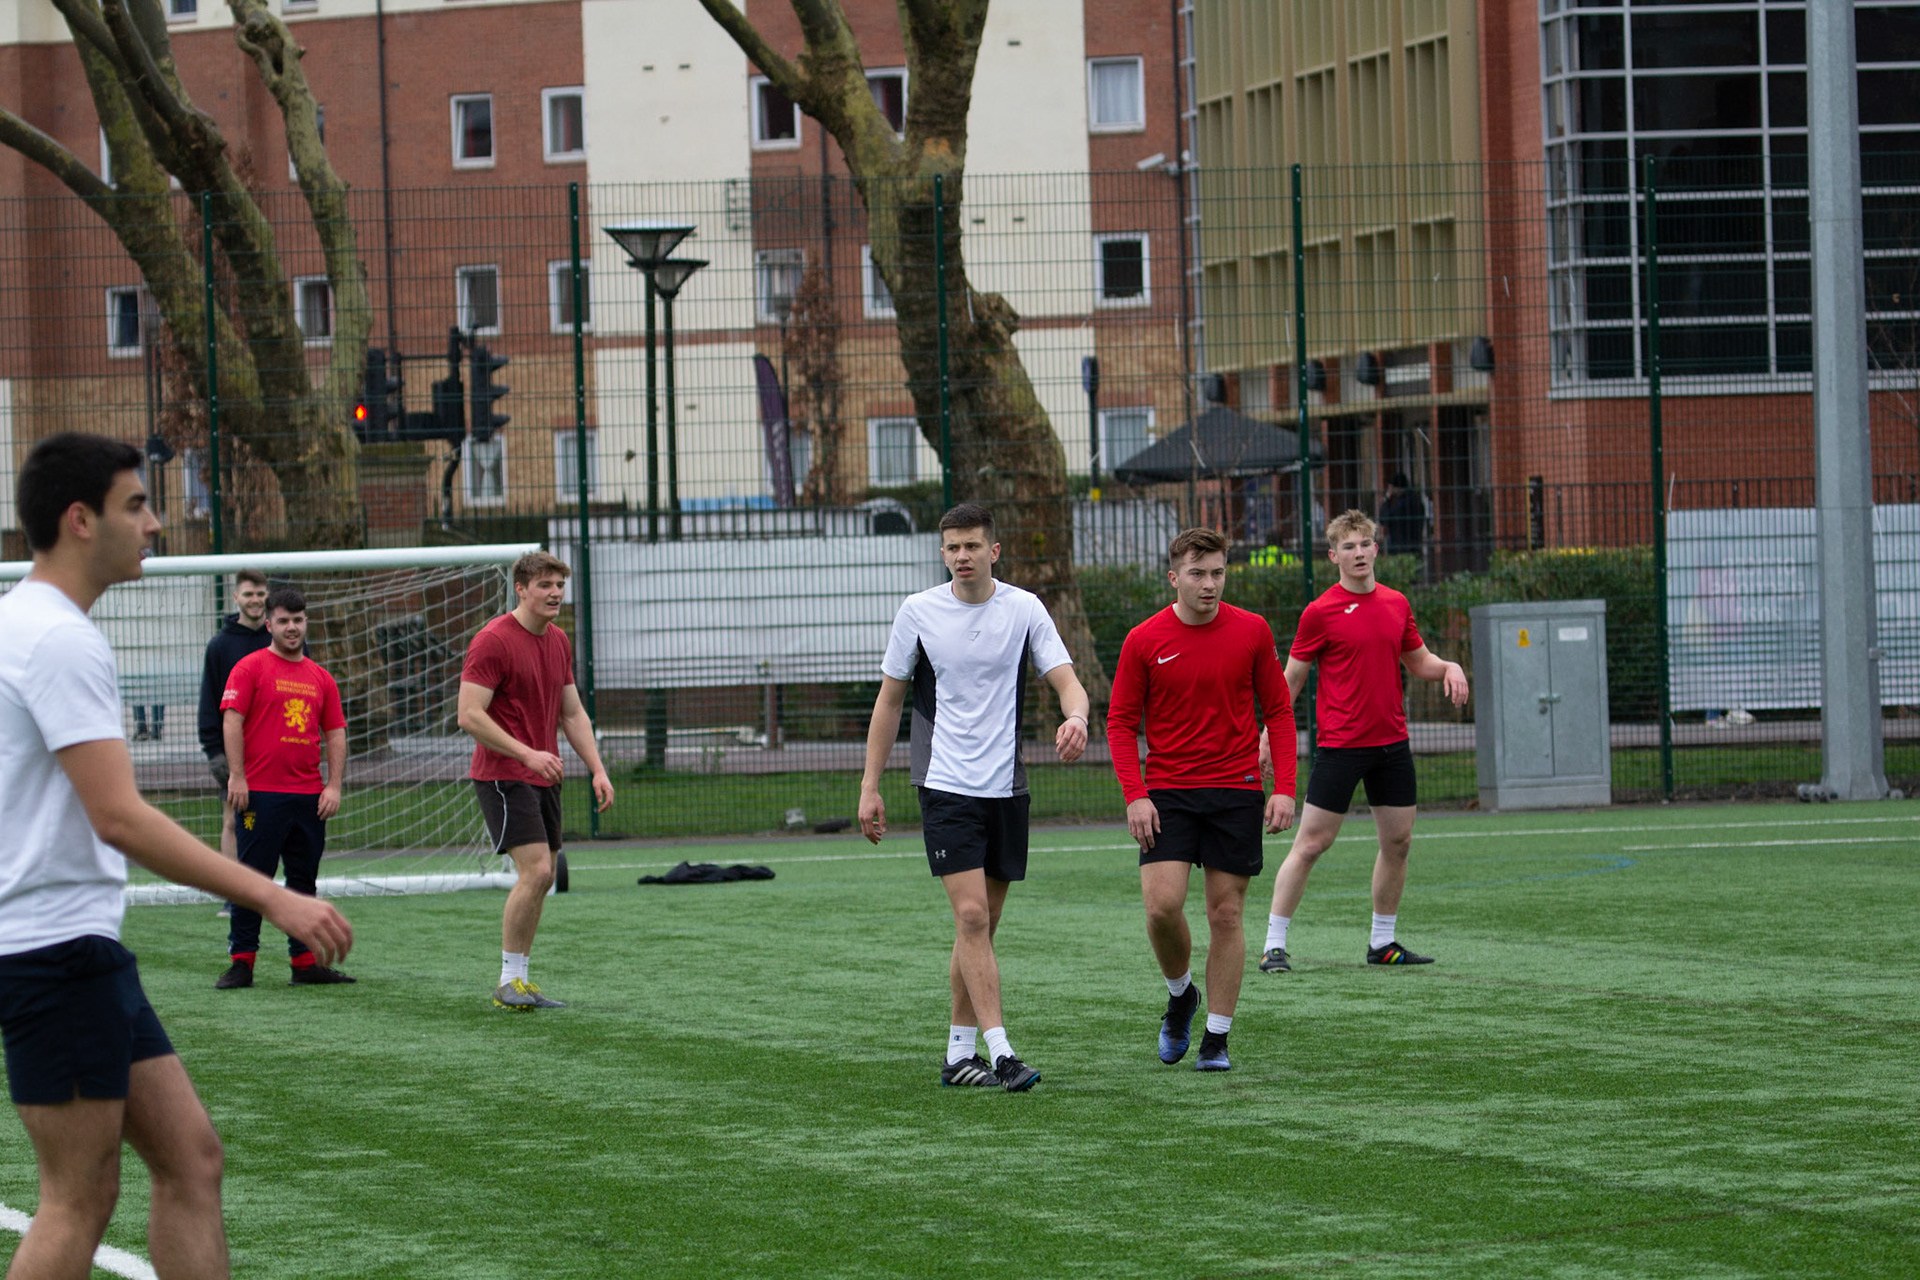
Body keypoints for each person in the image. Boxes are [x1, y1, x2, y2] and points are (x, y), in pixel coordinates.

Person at [0, 432, 351, 1279]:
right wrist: (272, 897)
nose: (156, 522)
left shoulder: (29, 623)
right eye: (136, 505)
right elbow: (120, 817)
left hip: (75, 949)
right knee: (78, 1200)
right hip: (54, 952)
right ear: (80, 520)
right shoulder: (57, 639)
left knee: (192, 1160)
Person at [858, 503, 1089, 1093]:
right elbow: (888, 702)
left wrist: (1078, 718)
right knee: (970, 916)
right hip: (944, 784)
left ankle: (958, 1056)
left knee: (980, 929)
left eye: (972, 546)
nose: (962, 556)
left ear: (994, 551)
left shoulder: (1024, 608)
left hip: (1006, 787)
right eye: (952, 547)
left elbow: (1066, 679)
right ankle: (1002, 1051)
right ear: (943, 554)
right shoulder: (918, 612)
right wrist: (870, 785)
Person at [1107, 527, 1297, 1074]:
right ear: (1174, 578)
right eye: (1197, 574)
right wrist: (1135, 795)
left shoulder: (1253, 631)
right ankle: (1180, 994)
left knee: (1227, 913)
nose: (1209, 584)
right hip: (1166, 793)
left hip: (1236, 789)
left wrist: (1284, 786)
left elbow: (1279, 713)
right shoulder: (1143, 639)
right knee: (1162, 907)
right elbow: (1120, 723)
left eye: (1217, 573)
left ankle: (1216, 1038)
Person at [1259, 509, 1469, 974]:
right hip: (1339, 747)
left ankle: (1382, 942)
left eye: (1365, 543)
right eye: (1348, 546)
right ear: (1334, 555)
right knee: (1312, 844)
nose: (1359, 552)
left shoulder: (1396, 604)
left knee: (1399, 842)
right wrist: (1271, 734)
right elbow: (1290, 679)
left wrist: (1449, 667)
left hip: (1392, 746)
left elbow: (1420, 661)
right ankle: (1273, 944)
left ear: (1377, 549)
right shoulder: (1320, 612)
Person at [457, 551, 614, 1011]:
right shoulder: (492, 641)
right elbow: (468, 714)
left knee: (542, 879)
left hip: (544, 776)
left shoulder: (558, 641)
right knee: (539, 872)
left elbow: (571, 712)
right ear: (521, 589)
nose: (555, 593)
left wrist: (598, 768)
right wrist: (526, 752)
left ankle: (521, 981)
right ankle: (507, 981)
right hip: (504, 775)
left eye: (560, 585)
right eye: (545, 585)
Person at [216, 586, 354, 989]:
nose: (292, 628)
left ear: (305, 622)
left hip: (309, 796)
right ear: (269, 623)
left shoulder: (321, 678)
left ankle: (305, 963)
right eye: (283, 621)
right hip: (261, 794)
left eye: (298, 620)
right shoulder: (249, 668)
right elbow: (231, 721)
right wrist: (237, 777)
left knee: (304, 881)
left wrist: (334, 786)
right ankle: (242, 962)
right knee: (252, 879)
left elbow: (336, 732)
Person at [198, 568, 272, 919]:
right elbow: (209, 701)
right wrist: (214, 751)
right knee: (234, 819)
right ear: (236, 598)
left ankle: (263, 893)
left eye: (260, 594)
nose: (255, 601)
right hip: (232, 752)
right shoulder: (220, 645)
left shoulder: (282, 639)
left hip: (275, 749)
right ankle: (234, 897)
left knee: (269, 822)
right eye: (249, 594)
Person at [1378, 472, 1429, 564]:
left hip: (1400, 548)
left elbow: (1384, 519)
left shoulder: (1400, 505)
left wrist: (1387, 499)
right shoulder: (1416, 501)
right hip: (1415, 546)